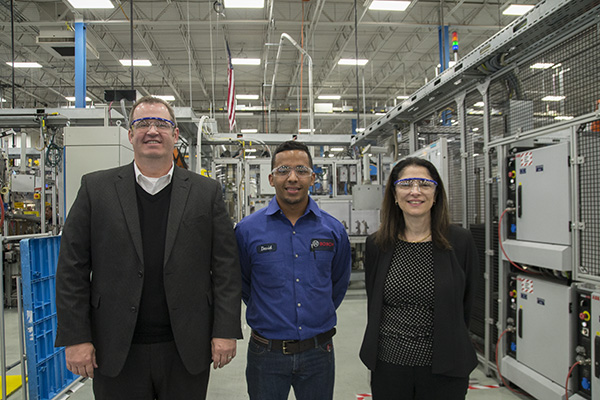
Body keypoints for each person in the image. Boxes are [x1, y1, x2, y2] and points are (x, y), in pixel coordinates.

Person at [55, 95, 242, 400]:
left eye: (162, 124)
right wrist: (76, 337)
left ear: (176, 135)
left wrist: (225, 330)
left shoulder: (205, 192)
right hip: (115, 348)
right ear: (130, 134)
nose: (152, 131)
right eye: (143, 123)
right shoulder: (96, 189)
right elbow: (71, 268)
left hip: (186, 348)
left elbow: (226, 267)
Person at [235, 140, 352, 400]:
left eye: (301, 170)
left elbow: (338, 284)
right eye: (283, 170)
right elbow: (243, 283)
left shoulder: (332, 230)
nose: (292, 178)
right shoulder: (247, 230)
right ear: (270, 178)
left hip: (318, 353)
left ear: (312, 177)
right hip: (266, 354)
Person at [359, 157, 479, 400]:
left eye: (424, 184)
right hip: (389, 365)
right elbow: (375, 303)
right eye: (406, 184)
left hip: (446, 367)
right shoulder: (377, 244)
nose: (415, 192)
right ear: (394, 194)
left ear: (436, 194)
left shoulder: (460, 240)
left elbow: (467, 304)